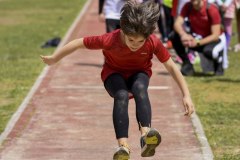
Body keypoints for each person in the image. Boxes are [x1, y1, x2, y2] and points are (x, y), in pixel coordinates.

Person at [41, 1, 194, 159]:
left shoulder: (152, 42)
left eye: (140, 41)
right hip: (113, 73)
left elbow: (171, 67)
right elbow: (79, 43)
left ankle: (146, 136)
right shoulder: (110, 40)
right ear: (123, 32)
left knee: (140, 88)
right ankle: (123, 147)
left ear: (147, 37)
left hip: (139, 73)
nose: (135, 45)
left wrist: (186, 95)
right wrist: (54, 58)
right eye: (131, 40)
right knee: (121, 95)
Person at [172, 0, 227, 76]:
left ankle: (218, 63)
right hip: (197, 37)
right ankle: (187, 64)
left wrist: (197, 42)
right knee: (174, 36)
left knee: (209, 52)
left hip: (214, 40)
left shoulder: (211, 9)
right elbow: (177, 23)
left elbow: (215, 35)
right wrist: (183, 35)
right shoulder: (188, 6)